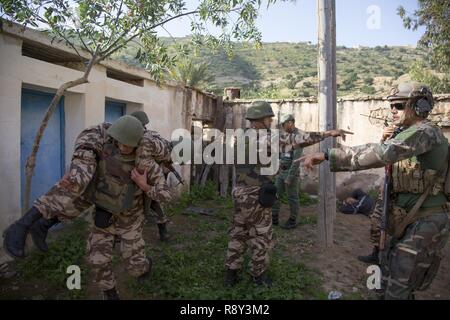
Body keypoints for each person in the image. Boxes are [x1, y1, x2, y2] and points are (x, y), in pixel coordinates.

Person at [298, 82, 449, 300]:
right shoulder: (408, 134)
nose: (393, 111)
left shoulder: (425, 132)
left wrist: (329, 155)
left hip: (426, 219)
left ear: (419, 105)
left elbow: (383, 153)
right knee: (389, 274)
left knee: (400, 280)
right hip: (406, 217)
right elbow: (388, 160)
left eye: (398, 106)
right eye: (391, 106)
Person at [3, 116, 172, 299]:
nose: (122, 148)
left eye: (127, 145)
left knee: (136, 268)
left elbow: (165, 195)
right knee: (97, 260)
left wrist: (144, 185)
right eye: (119, 143)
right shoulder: (101, 146)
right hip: (104, 214)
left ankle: (144, 266)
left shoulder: (147, 164)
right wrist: (76, 173)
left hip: (129, 218)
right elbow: (81, 184)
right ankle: (109, 292)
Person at [225, 101, 350, 287]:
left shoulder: (242, 136)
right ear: (260, 119)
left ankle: (231, 274)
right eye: (269, 118)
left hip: (239, 192)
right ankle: (258, 277)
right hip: (255, 195)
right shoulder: (267, 138)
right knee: (262, 236)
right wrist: (327, 134)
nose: (271, 121)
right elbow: (299, 139)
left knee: (238, 232)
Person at [131, 110, 173, 241]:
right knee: (153, 203)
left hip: (144, 177)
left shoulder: (145, 137)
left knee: (152, 203)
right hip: (146, 176)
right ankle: (162, 231)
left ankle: (161, 230)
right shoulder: (153, 136)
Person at [271, 114, 303, 229]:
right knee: (276, 194)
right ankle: (273, 218)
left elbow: (296, 160)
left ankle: (293, 220)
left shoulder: (298, 137)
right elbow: (282, 153)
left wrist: (289, 177)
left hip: (291, 173)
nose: (283, 127)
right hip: (281, 172)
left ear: (290, 123)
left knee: (292, 197)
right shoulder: (286, 136)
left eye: (284, 124)